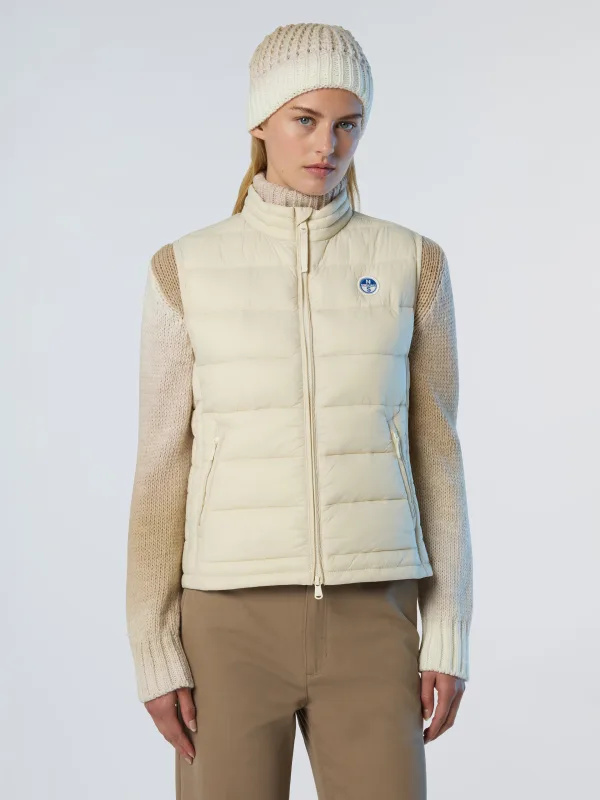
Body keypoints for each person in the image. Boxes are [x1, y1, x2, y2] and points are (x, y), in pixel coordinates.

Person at [125, 22, 473, 800]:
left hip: (374, 616)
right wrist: (153, 647)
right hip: (226, 625)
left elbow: (438, 455)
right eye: (305, 119)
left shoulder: (413, 263)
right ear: (260, 121)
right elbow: (161, 466)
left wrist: (447, 629)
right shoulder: (184, 269)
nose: (328, 145)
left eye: (349, 123)